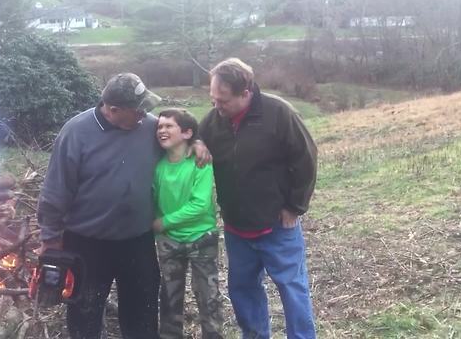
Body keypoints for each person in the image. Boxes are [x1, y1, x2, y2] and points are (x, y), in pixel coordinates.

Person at [37, 73, 210, 339]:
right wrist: (50, 239)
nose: (144, 114)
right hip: (86, 242)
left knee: (142, 312)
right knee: (85, 312)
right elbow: (55, 190)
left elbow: (178, 140)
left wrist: (196, 143)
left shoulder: (149, 128)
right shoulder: (76, 132)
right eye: (138, 109)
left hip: (136, 240)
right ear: (114, 109)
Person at [199, 58, 318, 339]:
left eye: (223, 101)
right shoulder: (215, 120)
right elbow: (195, 136)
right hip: (237, 227)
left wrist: (294, 207)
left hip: (277, 225)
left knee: (292, 288)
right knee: (242, 289)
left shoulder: (279, 113)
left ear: (246, 92)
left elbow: (306, 159)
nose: (217, 107)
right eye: (213, 99)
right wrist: (197, 142)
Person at [152, 108, 223, 339]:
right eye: (159, 126)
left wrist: (163, 222)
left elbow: (200, 204)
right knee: (170, 297)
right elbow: (152, 199)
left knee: (208, 296)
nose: (162, 130)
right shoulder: (158, 167)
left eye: (168, 126)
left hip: (201, 238)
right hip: (169, 242)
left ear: (186, 133)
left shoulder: (200, 162)